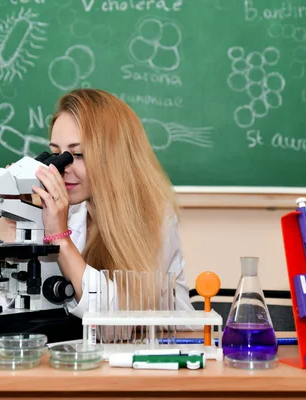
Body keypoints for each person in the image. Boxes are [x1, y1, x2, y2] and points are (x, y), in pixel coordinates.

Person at [30, 88, 194, 319]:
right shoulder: (69, 211)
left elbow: (119, 319)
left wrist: (60, 240)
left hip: (165, 347)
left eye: (78, 155)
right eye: (56, 153)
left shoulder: (155, 214)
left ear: (113, 156)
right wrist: (17, 219)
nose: (61, 167)